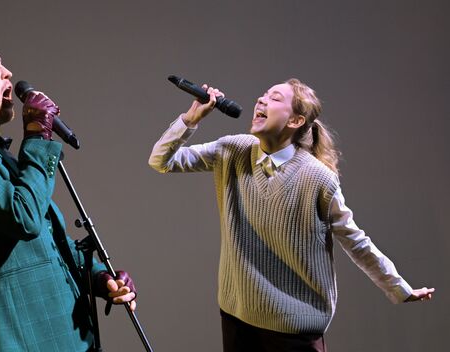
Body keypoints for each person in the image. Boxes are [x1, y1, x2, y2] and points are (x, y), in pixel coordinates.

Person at [148, 78, 435, 351]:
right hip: (238, 316)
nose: (261, 99)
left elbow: (354, 240)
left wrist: (399, 288)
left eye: (274, 98)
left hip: (293, 326)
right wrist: (191, 119)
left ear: (296, 121)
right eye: (263, 95)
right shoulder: (232, 149)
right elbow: (161, 160)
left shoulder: (318, 179)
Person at [0, 21, 137, 352]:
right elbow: (23, 218)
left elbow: (42, 244)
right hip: (26, 340)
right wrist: (36, 136)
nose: (7, 73)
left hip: (67, 336)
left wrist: (99, 278)